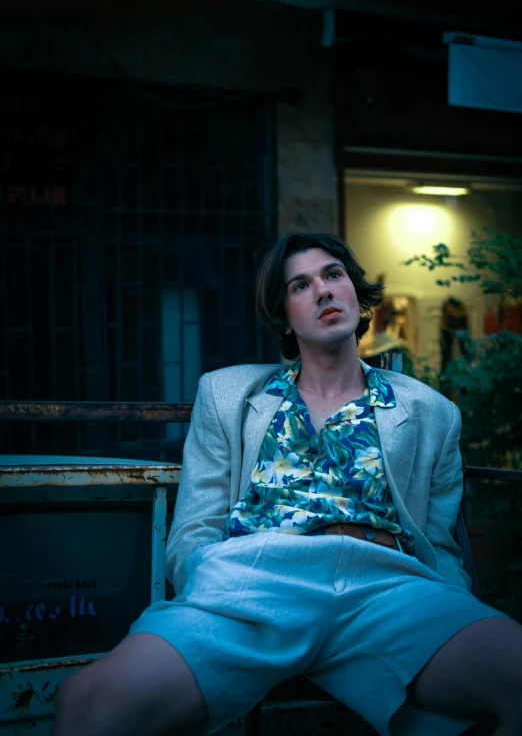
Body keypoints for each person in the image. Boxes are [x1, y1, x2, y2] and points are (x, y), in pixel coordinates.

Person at [52, 233, 522, 736]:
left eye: (333, 275)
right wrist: (211, 582)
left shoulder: (431, 412)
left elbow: (440, 546)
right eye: (301, 285)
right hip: (253, 583)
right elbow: (195, 526)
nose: (322, 291)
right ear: (283, 314)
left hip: (387, 589)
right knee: (89, 705)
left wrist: (452, 610)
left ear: (355, 293)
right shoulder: (226, 394)